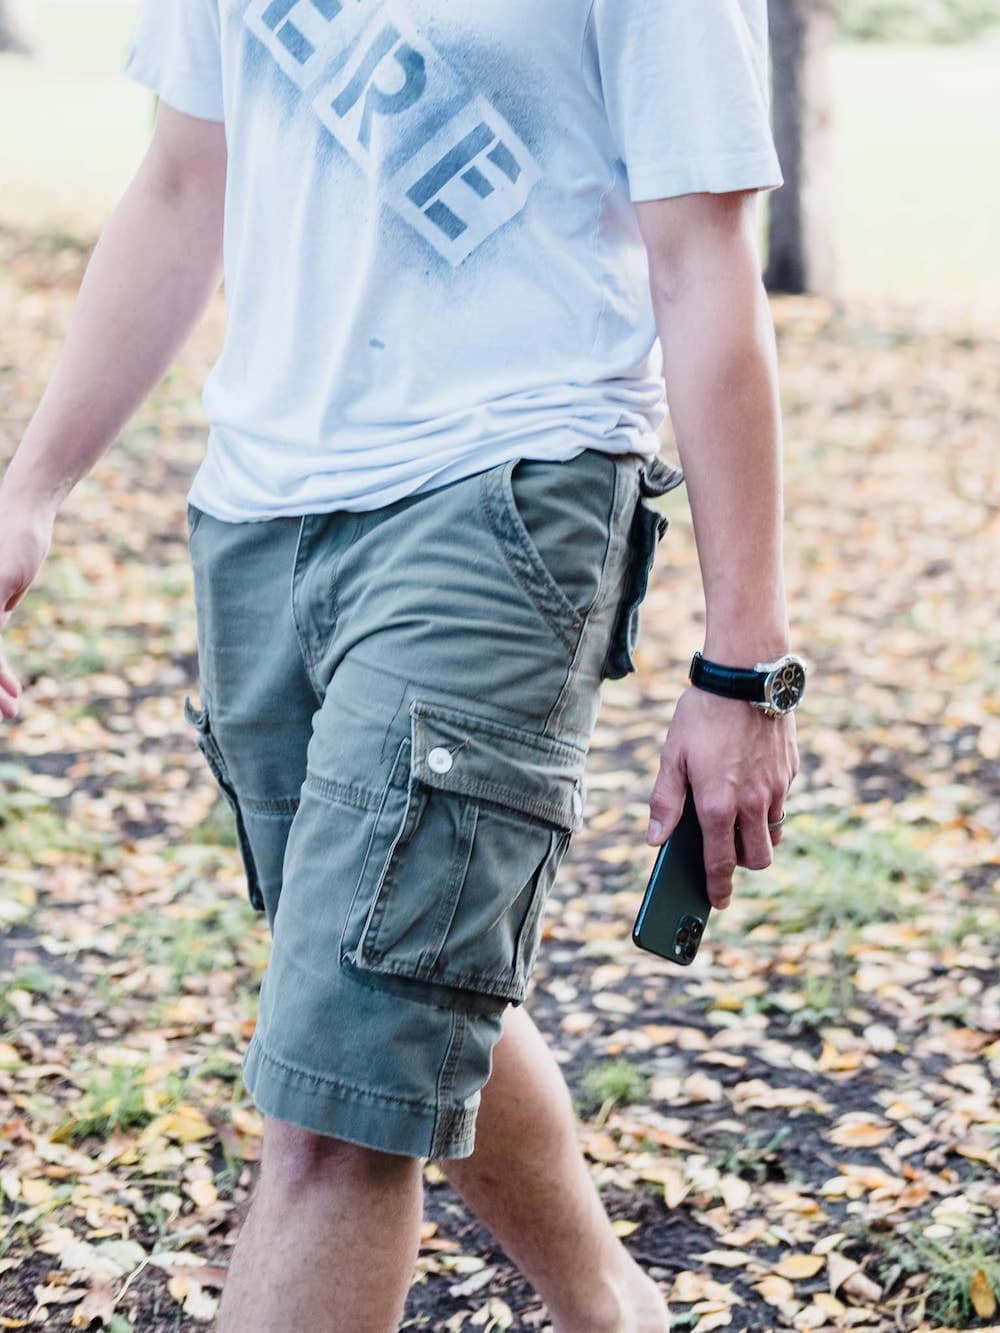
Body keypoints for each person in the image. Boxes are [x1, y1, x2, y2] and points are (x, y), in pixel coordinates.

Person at [0, 0, 805, 1327]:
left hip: (507, 490)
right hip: (259, 512)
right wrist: (30, 489)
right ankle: (613, 1309)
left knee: (334, 1104)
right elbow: (186, 182)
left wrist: (744, 666)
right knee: (378, 982)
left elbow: (701, 260)